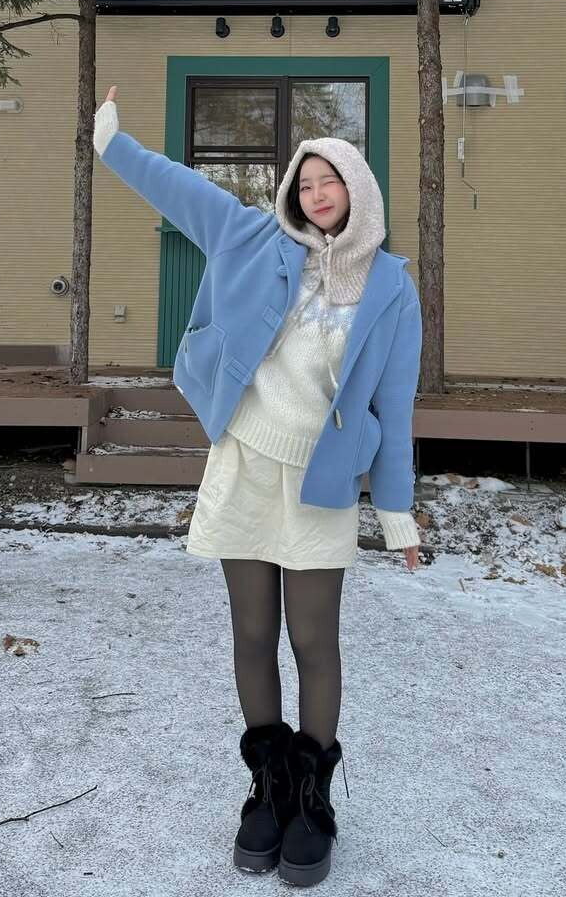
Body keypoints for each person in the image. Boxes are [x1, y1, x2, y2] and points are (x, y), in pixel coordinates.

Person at [93, 84, 422, 888]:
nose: (316, 193)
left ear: (357, 189)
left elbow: (395, 404)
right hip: (245, 461)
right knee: (251, 631)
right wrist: (112, 143)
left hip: (322, 480)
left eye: (329, 180)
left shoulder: (390, 285)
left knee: (313, 638)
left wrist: (398, 513)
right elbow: (183, 190)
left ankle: (312, 799)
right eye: (305, 183)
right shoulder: (252, 239)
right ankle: (267, 788)